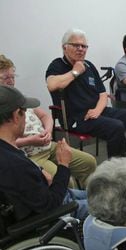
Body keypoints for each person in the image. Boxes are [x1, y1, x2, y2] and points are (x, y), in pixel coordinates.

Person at [46, 28, 126, 180]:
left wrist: (98, 110)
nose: (81, 49)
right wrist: (75, 72)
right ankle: (117, 172)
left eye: (84, 46)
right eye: (76, 45)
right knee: (116, 126)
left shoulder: (89, 65)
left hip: (97, 112)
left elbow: (102, 94)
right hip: (77, 118)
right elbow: (52, 85)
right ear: (64, 47)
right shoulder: (57, 65)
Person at [0, 54, 96, 189]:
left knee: (89, 162)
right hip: (30, 154)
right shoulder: (2, 108)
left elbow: (45, 116)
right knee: (66, 180)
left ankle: (91, 195)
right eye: (5, 78)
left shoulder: (19, 97)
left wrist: (47, 131)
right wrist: (31, 140)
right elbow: (4, 145)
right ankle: (70, 206)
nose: (11, 82)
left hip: (47, 144)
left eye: (13, 77)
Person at [0, 85, 88, 221]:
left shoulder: (7, 150)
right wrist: (63, 165)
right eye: (25, 112)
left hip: (44, 195)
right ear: (16, 115)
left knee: (102, 194)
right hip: (55, 211)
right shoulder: (14, 165)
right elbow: (51, 205)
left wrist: (39, 170)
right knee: (118, 204)